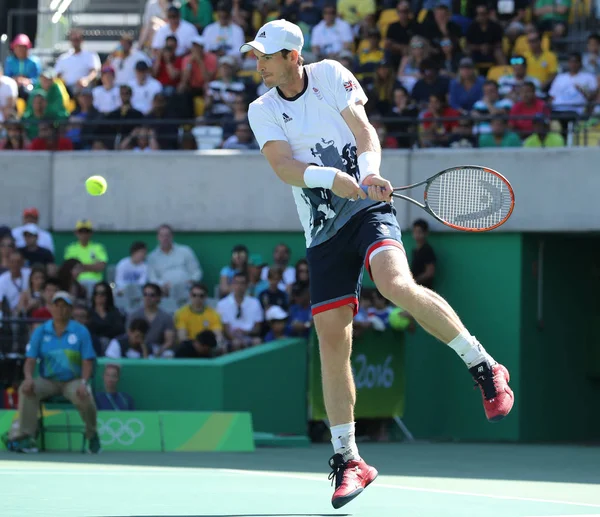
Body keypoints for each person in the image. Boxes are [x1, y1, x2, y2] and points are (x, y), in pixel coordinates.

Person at [242, 19, 514, 509]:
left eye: (266, 55)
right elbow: (283, 166)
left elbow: (365, 132)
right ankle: (349, 460)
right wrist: (332, 178)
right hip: (322, 229)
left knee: (393, 284)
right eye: (256, 55)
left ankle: (485, 366)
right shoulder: (261, 109)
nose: (258, 63)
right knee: (331, 338)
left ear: (292, 57)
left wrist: (367, 175)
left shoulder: (330, 75)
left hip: (367, 207)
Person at [1, 291, 100, 454]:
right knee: (26, 390)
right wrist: (27, 378)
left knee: (85, 396)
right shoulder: (41, 331)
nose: (60, 309)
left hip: (73, 381)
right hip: (47, 380)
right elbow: (30, 360)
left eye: (65, 306)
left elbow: (87, 361)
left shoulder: (80, 331)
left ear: (71, 309)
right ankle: (26, 436)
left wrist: (84, 383)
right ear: (51, 308)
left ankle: (92, 434)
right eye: (57, 305)